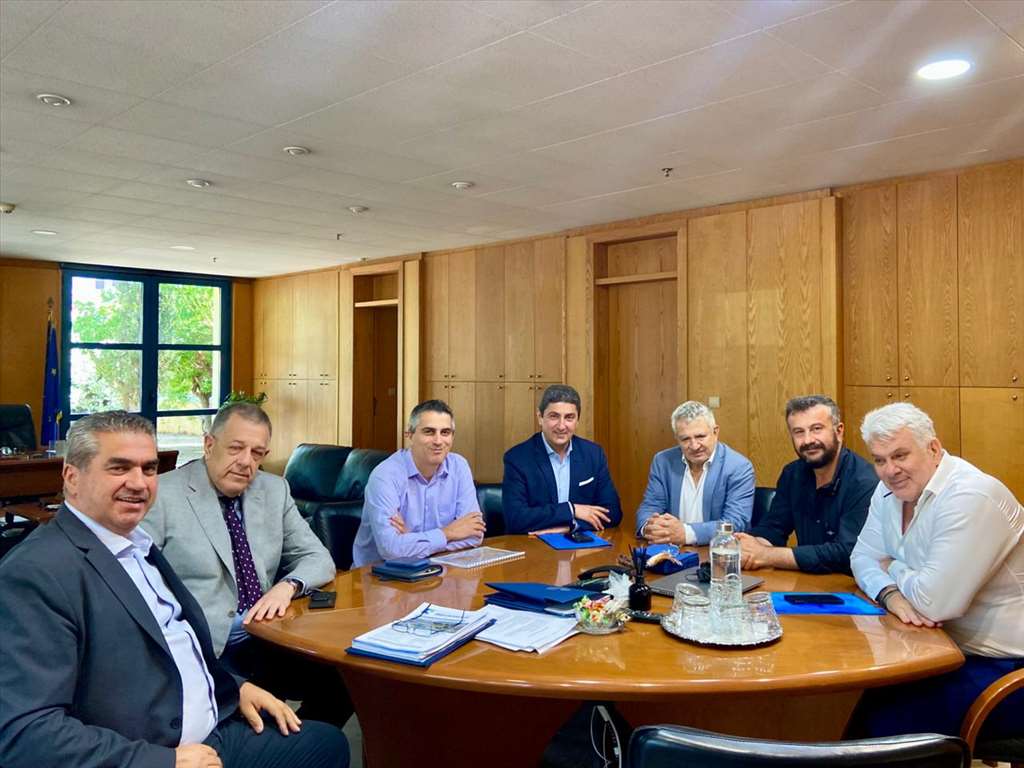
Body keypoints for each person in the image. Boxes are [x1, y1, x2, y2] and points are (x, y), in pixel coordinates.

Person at [0, 411, 348, 768]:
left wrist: (234, 687)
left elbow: (173, 640)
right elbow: (25, 736)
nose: (139, 483)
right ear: (72, 477)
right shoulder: (35, 572)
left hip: (216, 709)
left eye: (149, 469)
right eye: (119, 468)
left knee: (328, 742)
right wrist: (165, 761)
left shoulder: (136, 545)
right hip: (157, 747)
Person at [142, 402, 350, 728]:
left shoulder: (274, 489)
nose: (245, 462)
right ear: (209, 444)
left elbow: (318, 558)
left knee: (348, 679)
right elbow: (137, 583)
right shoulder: (163, 495)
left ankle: (293, 741)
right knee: (253, 725)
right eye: (236, 448)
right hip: (207, 648)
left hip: (267, 635)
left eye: (257, 453)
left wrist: (287, 587)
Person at [849, 402, 1024, 739]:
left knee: (881, 723)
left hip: (1007, 669)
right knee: (853, 698)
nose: (890, 470)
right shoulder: (888, 490)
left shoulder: (971, 495)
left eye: (900, 455)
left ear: (933, 448)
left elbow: (934, 604)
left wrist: (892, 565)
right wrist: (890, 594)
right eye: (879, 460)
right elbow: (861, 558)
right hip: (941, 650)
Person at [737, 395, 876, 574]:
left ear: (839, 431)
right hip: (806, 581)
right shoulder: (792, 474)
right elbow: (774, 528)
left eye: (816, 429)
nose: (808, 440)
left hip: (850, 583)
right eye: (799, 432)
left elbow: (846, 552)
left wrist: (767, 555)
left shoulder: (865, 481)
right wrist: (749, 548)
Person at [351, 399, 484, 568]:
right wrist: (449, 532)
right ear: (410, 435)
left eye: (445, 432)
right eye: (429, 432)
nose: (438, 441)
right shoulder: (385, 476)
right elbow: (391, 550)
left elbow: (474, 535)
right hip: (380, 574)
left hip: (438, 569)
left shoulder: (459, 466)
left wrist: (411, 542)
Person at [503, 384, 622, 534]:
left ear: (577, 420)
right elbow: (515, 519)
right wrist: (571, 509)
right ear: (540, 417)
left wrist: (571, 526)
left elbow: (612, 513)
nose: (561, 426)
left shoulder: (593, 454)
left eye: (569, 418)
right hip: (534, 544)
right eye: (554, 416)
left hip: (580, 544)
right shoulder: (517, 458)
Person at [636, 401, 754, 546]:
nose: (694, 446)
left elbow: (735, 523)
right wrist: (650, 528)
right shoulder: (663, 461)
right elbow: (650, 506)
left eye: (700, 436)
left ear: (715, 432)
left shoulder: (738, 467)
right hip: (670, 551)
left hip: (715, 552)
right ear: (677, 438)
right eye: (685, 439)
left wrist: (686, 534)